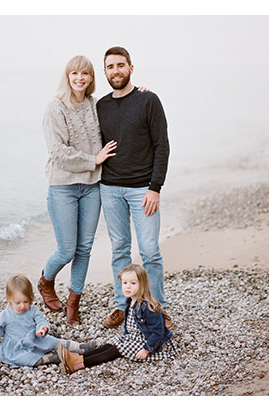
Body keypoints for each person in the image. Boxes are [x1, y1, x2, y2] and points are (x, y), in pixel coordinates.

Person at [36, 56, 118, 325]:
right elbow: (58, 152)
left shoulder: (95, 105)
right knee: (67, 250)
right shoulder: (55, 107)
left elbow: (121, 107)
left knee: (84, 249)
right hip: (63, 187)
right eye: (75, 73)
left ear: (92, 78)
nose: (80, 78)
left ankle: (74, 302)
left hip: (92, 186)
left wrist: (142, 93)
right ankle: (46, 281)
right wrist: (93, 159)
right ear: (67, 76)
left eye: (85, 73)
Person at [96, 46, 171, 329]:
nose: (115, 71)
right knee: (119, 250)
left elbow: (162, 145)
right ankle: (121, 305)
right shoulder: (101, 106)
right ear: (104, 72)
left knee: (150, 251)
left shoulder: (148, 100)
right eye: (110, 67)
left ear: (130, 68)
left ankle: (157, 306)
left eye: (120, 65)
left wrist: (156, 187)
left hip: (143, 191)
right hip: (110, 188)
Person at [54, 265, 175, 373]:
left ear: (142, 285)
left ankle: (78, 364)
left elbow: (158, 333)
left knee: (116, 349)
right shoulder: (130, 301)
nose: (128, 286)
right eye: (125, 283)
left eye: (133, 283)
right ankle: (76, 356)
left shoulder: (149, 307)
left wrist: (146, 349)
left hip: (151, 344)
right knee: (111, 343)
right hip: (134, 337)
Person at [0, 275, 91, 369]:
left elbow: (41, 321)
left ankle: (79, 347)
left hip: (34, 339)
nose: (23, 306)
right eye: (18, 303)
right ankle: (50, 358)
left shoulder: (33, 310)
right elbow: (0, 332)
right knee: (21, 358)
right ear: (9, 299)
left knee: (53, 341)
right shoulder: (5, 315)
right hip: (17, 346)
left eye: (26, 301)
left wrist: (42, 328)